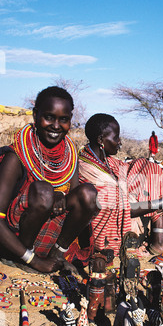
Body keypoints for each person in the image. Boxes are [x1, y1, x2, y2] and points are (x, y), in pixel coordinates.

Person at [0, 86, 99, 273]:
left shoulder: (70, 156)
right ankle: (25, 259)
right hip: (16, 242)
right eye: (49, 117)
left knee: (88, 193)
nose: (56, 126)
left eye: (64, 119)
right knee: (44, 191)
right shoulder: (16, 156)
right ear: (35, 115)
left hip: (51, 236)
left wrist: (61, 194)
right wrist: (33, 260)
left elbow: (76, 203)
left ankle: (57, 255)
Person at [78, 113, 163, 258]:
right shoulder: (87, 169)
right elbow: (117, 208)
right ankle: (159, 237)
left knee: (146, 166)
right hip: (109, 234)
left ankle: (161, 231)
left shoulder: (103, 160)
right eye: (116, 138)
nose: (120, 142)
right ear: (101, 140)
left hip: (124, 205)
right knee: (149, 187)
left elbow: (129, 171)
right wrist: (162, 202)